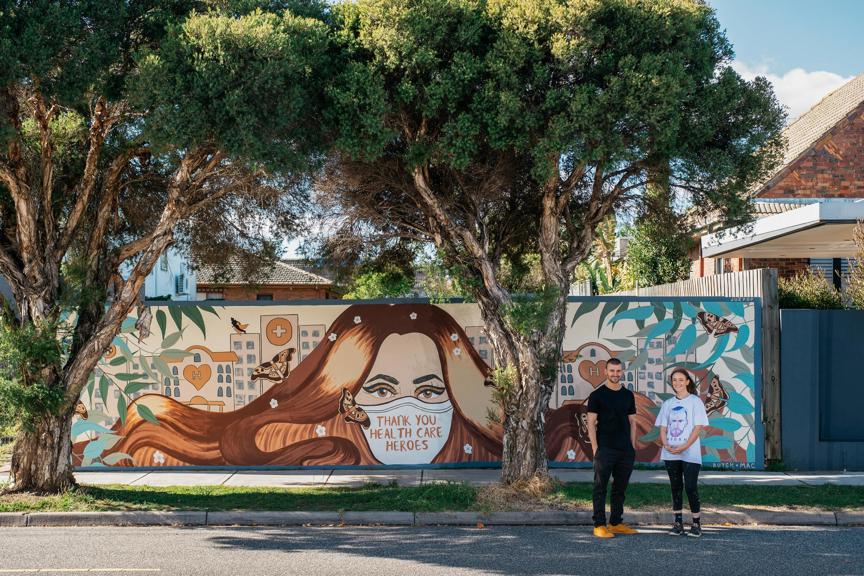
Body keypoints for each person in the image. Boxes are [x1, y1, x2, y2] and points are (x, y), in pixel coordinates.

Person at [84, 304, 502, 467]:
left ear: (458, 395)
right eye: (380, 390)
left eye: (429, 391)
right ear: (340, 392)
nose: (406, 405)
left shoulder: (484, 449)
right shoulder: (318, 446)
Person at [586, 358, 639, 538]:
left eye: (618, 371)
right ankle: (599, 524)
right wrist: (595, 449)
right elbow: (591, 423)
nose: (615, 374)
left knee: (620, 489)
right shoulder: (597, 395)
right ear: (605, 372)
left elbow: (633, 422)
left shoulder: (628, 395)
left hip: (625, 450)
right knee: (600, 488)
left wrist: (632, 447)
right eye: (612, 371)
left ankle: (616, 523)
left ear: (622, 372)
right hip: (605, 449)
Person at [656, 368, 709, 538]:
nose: (677, 383)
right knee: (676, 487)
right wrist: (666, 444)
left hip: (690, 452)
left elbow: (697, 428)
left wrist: (685, 446)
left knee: (691, 487)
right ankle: (678, 523)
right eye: (674, 380)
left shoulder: (695, 402)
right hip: (671, 452)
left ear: (687, 382)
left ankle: (696, 524)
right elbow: (663, 428)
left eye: (681, 379)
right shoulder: (668, 404)